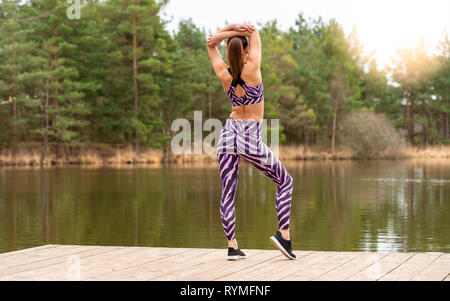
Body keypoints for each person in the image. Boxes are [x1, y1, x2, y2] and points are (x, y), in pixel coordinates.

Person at [206, 24, 296, 260]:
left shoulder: (224, 74)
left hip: (228, 134)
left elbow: (210, 44)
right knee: (285, 181)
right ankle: (283, 236)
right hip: (248, 136)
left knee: (228, 192)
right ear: (245, 51)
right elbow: (253, 30)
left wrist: (223, 34)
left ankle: (232, 246)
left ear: (228, 52)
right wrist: (236, 28)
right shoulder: (252, 69)